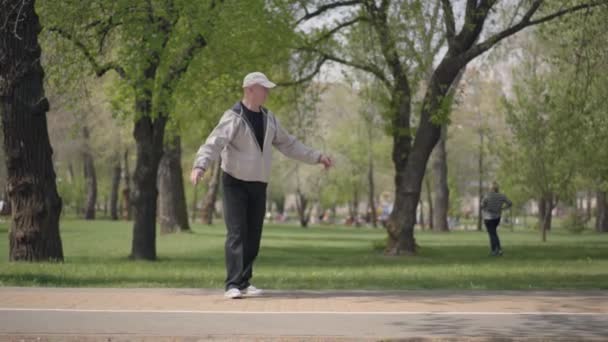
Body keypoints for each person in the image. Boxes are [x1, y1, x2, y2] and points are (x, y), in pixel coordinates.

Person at [190, 72, 333, 299]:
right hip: (234, 183)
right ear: (249, 90)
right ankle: (233, 284)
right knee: (237, 233)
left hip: (258, 183)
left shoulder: (269, 119)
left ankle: (245, 282)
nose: (267, 92)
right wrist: (200, 165)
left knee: (253, 236)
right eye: (263, 88)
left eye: (267, 88)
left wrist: (317, 157)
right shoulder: (233, 117)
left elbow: (289, 145)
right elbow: (214, 143)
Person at [481, 182, 512, 256]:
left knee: (492, 234)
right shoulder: (502, 196)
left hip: (488, 217)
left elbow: (482, 205)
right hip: (497, 218)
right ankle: (494, 250)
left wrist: (485, 207)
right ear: (497, 189)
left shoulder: (487, 195)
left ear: (491, 189)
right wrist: (503, 208)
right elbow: (510, 203)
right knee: (493, 233)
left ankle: (497, 250)